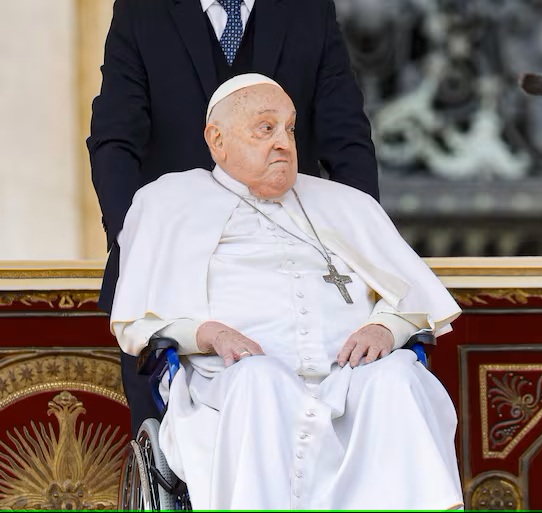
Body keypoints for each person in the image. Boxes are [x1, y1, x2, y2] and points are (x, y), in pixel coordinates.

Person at [110, 73, 463, 510]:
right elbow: (141, 323)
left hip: (349, 381)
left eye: (290, 128)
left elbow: (413, 300)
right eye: (265, 128)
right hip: (231, 383)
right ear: (216, 139)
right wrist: (209, 333)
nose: (283, 141)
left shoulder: (345, 204)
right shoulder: (169, 201)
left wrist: (386, 329)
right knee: (260, 379)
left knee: (399, 378)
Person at [87, 0, 379, 437]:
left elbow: (348, 141)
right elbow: (115, 140)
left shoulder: (308, 10)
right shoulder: (141, 9)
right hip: (177, 274)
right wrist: (143, 247)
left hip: (297, 265)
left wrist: (361, 249)